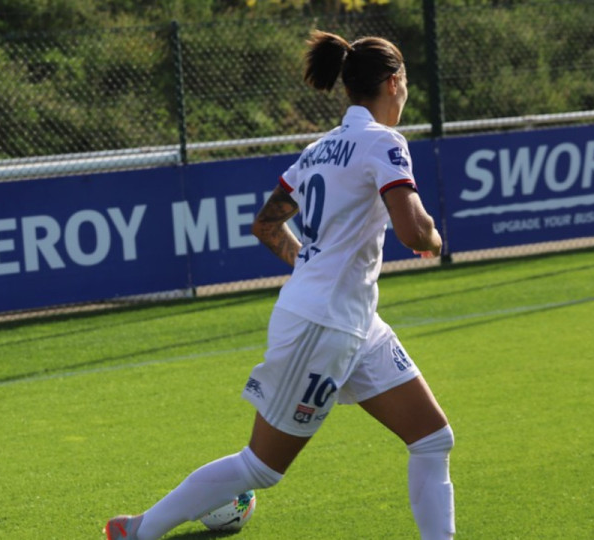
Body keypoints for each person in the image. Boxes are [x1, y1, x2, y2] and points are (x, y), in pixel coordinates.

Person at [104, 31, 454, 540]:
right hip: (323, 324)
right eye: (405, 84)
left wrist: (309, 265)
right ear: (394, 82)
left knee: (431, 437)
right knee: (262, 468)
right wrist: (433, 238)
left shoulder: (319, 149)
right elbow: (413, 230)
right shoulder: (384, 141)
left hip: (352, 320)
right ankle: (138, 530)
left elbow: (267, 225)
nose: (405, 94)